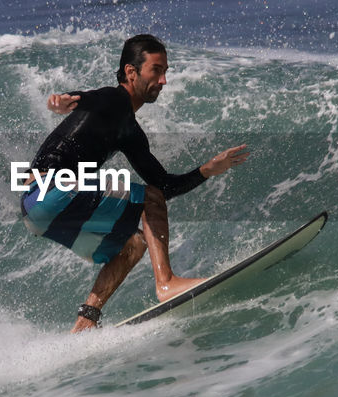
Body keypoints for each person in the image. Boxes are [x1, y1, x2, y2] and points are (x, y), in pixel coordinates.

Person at [20, 34, 249, 332]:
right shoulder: (114, 99)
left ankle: (86, 319)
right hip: (50, 189)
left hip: (35, 212)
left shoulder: (130, 132)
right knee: (148, 197)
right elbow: (91, 97)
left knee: (134, 244)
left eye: (165, 71)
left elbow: (164, 186)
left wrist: (206, 170)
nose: (164, 80)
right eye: (156, 69)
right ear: (131, 72)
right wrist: (66, 100)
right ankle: (166, 282)